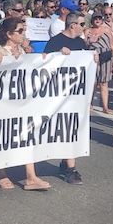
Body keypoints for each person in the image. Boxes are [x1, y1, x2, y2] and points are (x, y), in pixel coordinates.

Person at [0, 17, 51, 191]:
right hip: (4, 102)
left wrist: (42, 59)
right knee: (2, 137)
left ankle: (31, 176)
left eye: (23, 30)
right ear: (9, 34)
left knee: (27, 136)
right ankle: (0, 173)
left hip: (23, 101)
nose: (23, 34)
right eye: (19, 31)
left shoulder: (23, 51)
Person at [43, 12, 97, 185]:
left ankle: (67, 163)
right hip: (59, 94)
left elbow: (84, 64)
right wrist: (58, 54)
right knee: (66, 128)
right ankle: (70, 169)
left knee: (73, 128)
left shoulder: (80, 42)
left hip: (76, 93)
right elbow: (44, 63)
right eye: (82, 24)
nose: (84, 27)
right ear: (73, 25)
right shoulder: (55, 41)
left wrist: (93, 58)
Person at [86, 13, 113, 114]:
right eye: (95, 19)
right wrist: (89, 41)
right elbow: (84, 45)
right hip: (93, 57)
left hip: (106, 56)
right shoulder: (88, 31)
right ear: (92, 20)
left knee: (104, 82)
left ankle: (105, 107)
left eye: (99, 18)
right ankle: (89, 104)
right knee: (93, 82)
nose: (97, 20)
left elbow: (112, 44)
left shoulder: (107, 30)